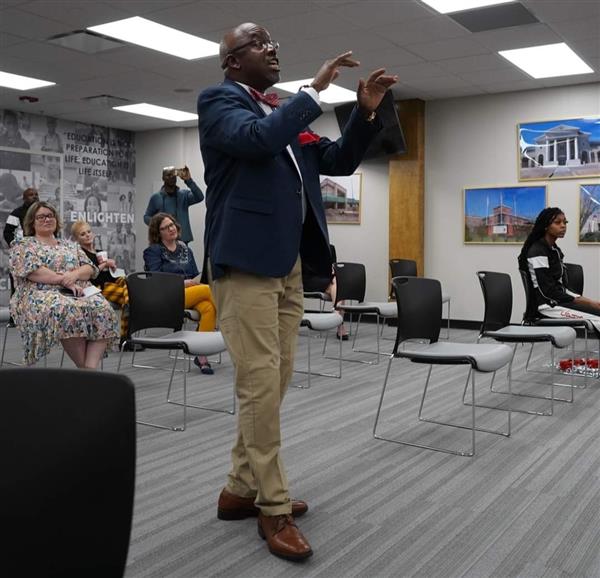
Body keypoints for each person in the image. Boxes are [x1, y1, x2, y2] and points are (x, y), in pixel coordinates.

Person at [197, 21, 397, 561]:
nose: (272, 50)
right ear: (234, 60)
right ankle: (273, 505)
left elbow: (337, 161)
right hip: (243, 264)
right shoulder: (220, 102)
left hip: (287, 265)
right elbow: (256, 142)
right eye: (261, 44)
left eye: (274, 43)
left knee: (275, 378)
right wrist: (312, 92)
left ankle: (238, 488)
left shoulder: (281, 111)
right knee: (261, 381)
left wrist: (365, 112)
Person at [9, 201, 118, 367]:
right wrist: (64, 280)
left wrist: (74, 275)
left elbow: (90, 268)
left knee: (103, 309)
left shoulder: (70, 245)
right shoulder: (24, 245)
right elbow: (33, 272)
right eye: (41, 217)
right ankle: (86, 371)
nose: (47, 219)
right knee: (67, 309)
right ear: (32, 221)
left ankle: (89, 368)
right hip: (40, 292)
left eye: (50, 215)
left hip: (77, 290)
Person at [143, 213, 217, 373]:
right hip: (167, 296)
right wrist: (182, 283)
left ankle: (201, 356)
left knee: (208, 308)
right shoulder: (153, 251)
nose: (171, 229)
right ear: (158, 233)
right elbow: (155, 279)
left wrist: (193, 282)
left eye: (172, 225)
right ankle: (235, 319)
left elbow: (194, 274)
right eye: (165, 228)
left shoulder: (185, 248)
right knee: (209, 291)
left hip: (189, 292)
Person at [518, 207, 600, 332]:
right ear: (546, 226)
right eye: (557, 222)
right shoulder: (538, 251)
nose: (563, 226)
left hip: (557, 302)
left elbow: (561, 287)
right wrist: (585, 302)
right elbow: (548, 291)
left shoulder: (554, 250)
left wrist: (589, 302)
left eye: (565, 222)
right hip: (546, 307)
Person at [71, 219, 134, 348]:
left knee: (128, 285)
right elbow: (90, 276)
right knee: (130, 296)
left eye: (89, 232)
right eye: (83, 234)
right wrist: (105, 264)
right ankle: (126, 337)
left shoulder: (99, 252)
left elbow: (106, 274)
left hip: (109, 284)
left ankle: (126, 337)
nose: (87, 235)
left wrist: (112, 268)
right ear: (76, 239)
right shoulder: (80, 254)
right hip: (96, 288)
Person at [143, 166, 204, 244]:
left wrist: (189, 180)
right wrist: (158, 224)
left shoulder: (184, 195)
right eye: (168, 175)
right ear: (163, 178)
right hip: (163, 240)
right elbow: (146, 217)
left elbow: (200, 197)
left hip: (182, 239)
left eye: (173, 175)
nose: (171, 178)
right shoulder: (156, 197)